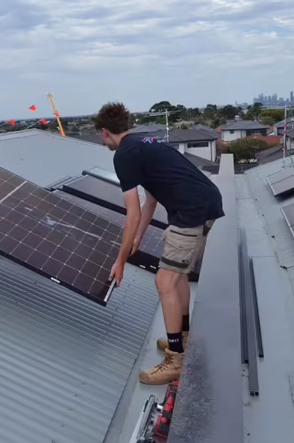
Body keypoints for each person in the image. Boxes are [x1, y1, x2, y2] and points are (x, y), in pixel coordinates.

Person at [93, 102, 224, 385]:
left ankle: (176, 359)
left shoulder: (123, 155)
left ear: (104, 132)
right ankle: (183, 337)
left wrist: (120, 260)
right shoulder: (143, 143)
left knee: (164, 282)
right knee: (176, 279)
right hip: (205, 202)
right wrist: (138, 238)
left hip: (190, 211)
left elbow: (133, 212)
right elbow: (150, 200)